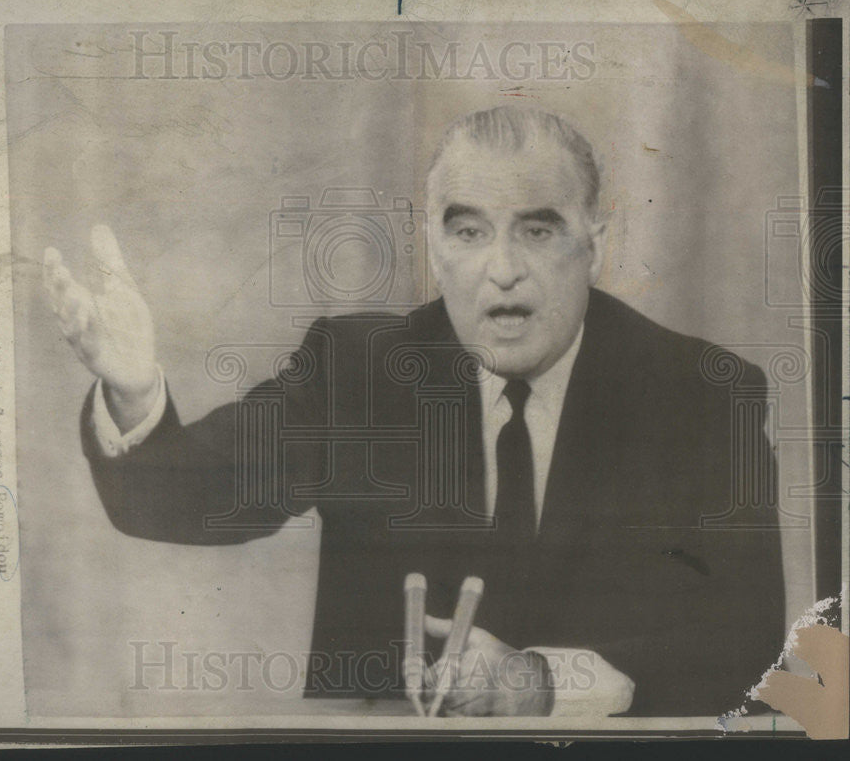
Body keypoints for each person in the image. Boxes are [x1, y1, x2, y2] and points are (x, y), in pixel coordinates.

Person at [42, 106, 785, 717]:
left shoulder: (700, 393)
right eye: (469, 231)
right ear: (434, 246)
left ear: (596, 242)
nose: (503, 268)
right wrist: (135, 388)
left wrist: (536, 681)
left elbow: (746, 647)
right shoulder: (359, 371)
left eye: (538, 228)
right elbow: (186, 495)